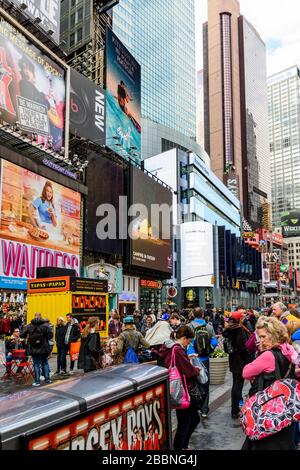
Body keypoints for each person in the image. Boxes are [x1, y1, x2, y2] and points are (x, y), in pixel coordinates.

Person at [241, 316, 297, 450]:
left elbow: (246, 372)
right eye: (259, 337)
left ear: (273, 335)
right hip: (282, 411)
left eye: (263, 336)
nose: (260, 340)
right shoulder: (287, 350)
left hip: (266, 411)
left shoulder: (268, 355)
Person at [158, 326, 201, 450]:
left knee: (189, 421)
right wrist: (196, 370)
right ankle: (180, 448)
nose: (189, 343)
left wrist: (188, 357)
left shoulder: (169, 347)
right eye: (188, 340)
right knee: (185, 423)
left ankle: (183, 446)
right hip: (183, 390)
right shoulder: (178, 350)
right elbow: (188, 371)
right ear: (183, 338)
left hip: (177, 389)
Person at [187, 307, 218, 418]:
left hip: (192, 359)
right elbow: (214, 341)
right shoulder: (208, 327)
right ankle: (204, 408)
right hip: (205, 359)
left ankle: (195, 406)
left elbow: (187, 343)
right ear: (203, 314)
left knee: (193, 383)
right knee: (205, 382)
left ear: (193, 314)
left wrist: (190, 353)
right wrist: (209, 350)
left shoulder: (189, 327)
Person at [222, 311, 252, 419]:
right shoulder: (239, 330)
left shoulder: (228, 330)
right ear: (239, 319)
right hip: (240, 360)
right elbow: (243, 347)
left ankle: (234, 409)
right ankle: (234, 410)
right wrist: (249, 359)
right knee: (238, 385)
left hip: (233, 359)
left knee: (236, 384)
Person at [21, 312, 53, 386]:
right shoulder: (46, 325)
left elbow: (22, 335)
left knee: (36, 364)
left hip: (33, 348)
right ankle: (47, 379)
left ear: (34, 317)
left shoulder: (29, 326)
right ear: (41, 317)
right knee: (45, 363)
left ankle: (37, 381)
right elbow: (50, 336)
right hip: (44, 347)